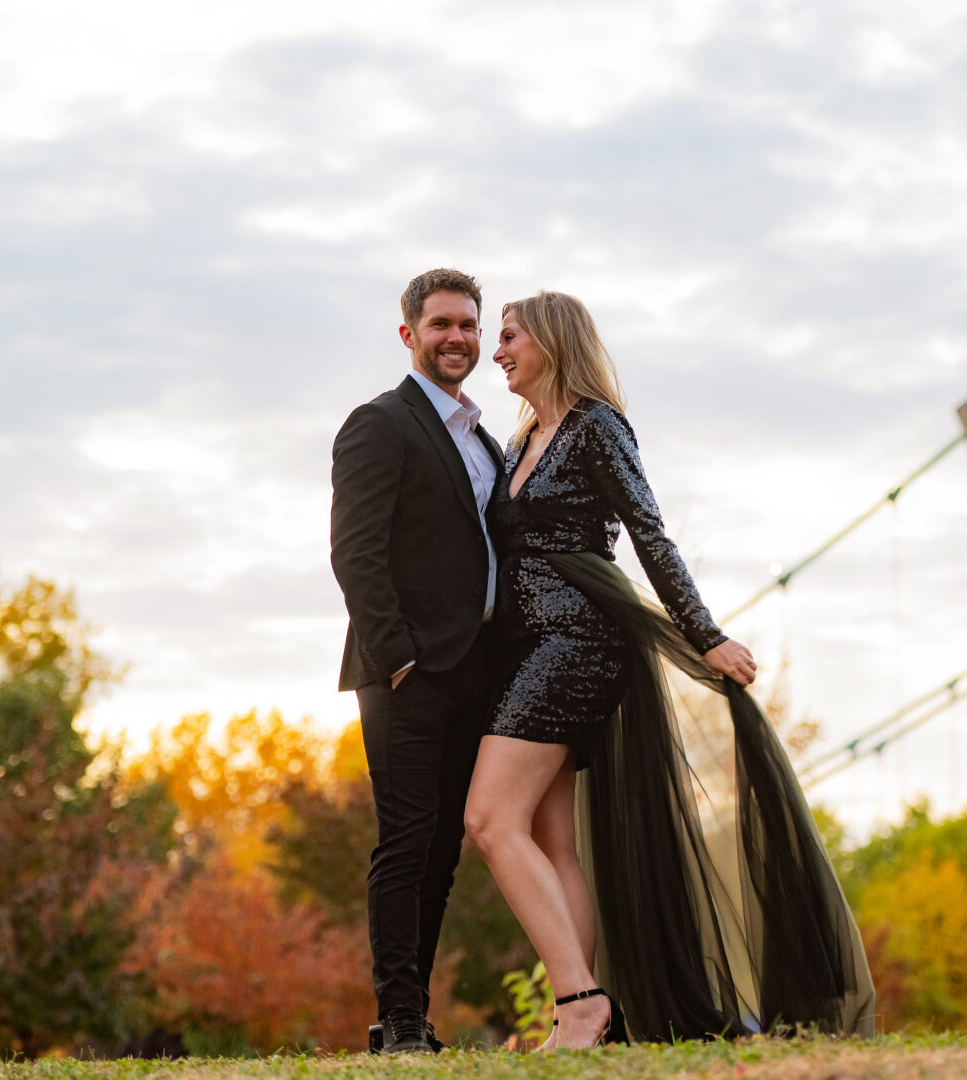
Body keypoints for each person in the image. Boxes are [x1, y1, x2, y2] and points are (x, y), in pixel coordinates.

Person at [463, 290, 875, 1050]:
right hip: (526, 649)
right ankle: (578, 1018)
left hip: (578, 643)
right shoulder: (520, 440)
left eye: (510, 337)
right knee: (553, 841)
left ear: (551, 341)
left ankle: (582, 1002)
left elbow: (650, 533)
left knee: (489, 819)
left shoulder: (597, 426)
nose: (497, 352)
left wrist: (706, 634)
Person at [329, 268, 503, 1054]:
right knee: (404, 843)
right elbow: (354, 553)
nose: (457, 338)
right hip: (404, 674)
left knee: (442, 851)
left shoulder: (483, 439)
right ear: (409, 335)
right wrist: (398, 657)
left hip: (476, 672)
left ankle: (415, 1014)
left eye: (469, 324)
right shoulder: (379, 424)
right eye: (441, 325)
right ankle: (398, 1020)